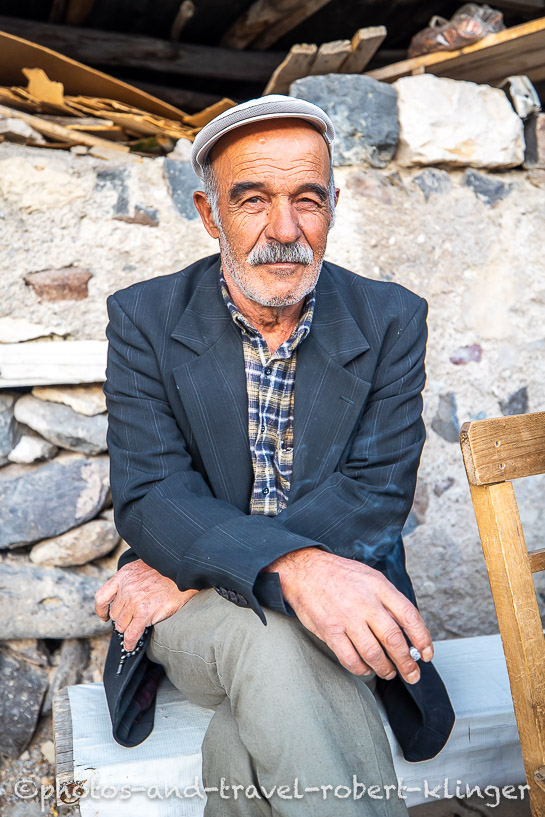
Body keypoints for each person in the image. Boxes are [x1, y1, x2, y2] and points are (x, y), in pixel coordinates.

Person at [95, 95, 454, 816]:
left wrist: (204, 568)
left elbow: (375, 494)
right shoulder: (143, 318)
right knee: (277, 641)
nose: (283, 230)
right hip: (197, 616)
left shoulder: (390, 318)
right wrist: (289, 567)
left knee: (262, 693)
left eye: (307, 200)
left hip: (242, 587)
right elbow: (152, 492)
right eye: (252, 199)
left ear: (333, 205)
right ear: (208, 212)